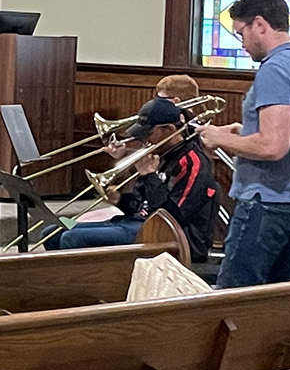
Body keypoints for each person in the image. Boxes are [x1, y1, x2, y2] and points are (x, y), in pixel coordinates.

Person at [200, 0, 290, 288]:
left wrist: (218, 139)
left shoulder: (276, 68)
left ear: (260, 24)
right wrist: (241, 134)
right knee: (280, 306)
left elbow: (274, 146)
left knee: (234, 301)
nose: (243, 42)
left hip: (270, 205)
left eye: (241, 32)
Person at [43, 97, 218, 261]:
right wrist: (119, 199)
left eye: (148, 133)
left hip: (172, 236)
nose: (144, 140)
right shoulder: (158, 152)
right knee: (52, 232)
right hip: (137, 223)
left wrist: (149, 176)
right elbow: (140, 205)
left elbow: (173, 216)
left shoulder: (193, 162)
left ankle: (84, 289)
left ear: (170, 130)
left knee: (72, 238)